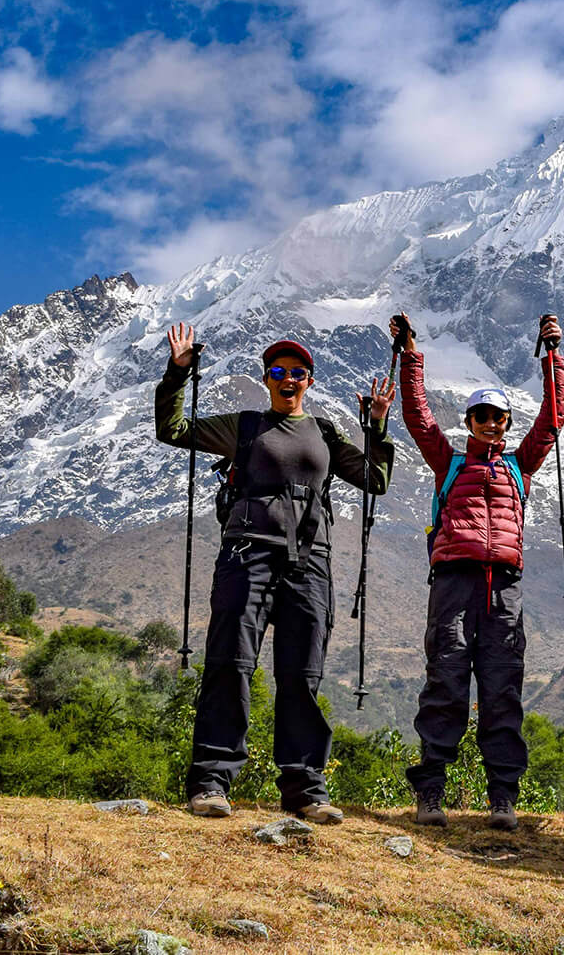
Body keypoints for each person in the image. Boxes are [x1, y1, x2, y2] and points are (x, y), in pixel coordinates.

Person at [154, 324, 396, 823]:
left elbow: (375, 478)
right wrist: (178, 374)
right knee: (229, 664)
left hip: (311, 565)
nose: (289, 379)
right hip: (247, 557)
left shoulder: (325, 432)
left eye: (298, 372)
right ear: (267, 379)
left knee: (302, 675)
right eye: (279, 372)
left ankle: (305, 790)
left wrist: (375, 427)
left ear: (309, 380)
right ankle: (210, 783)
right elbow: (173, 430)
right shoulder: (244, 427)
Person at [393, 313, 564, 831]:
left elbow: (553, 419)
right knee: (445, 682)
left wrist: (552, 356)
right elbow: (418, 417)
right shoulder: (449, 461)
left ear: (508, 424)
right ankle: (431, 792)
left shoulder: (521, 465)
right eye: (483, 416)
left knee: (502, 688)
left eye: (500, 417)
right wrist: (410, 355)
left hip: (504, 589)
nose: (492, 423)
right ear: (469, 422)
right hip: (453, 584)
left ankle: (502, 798)